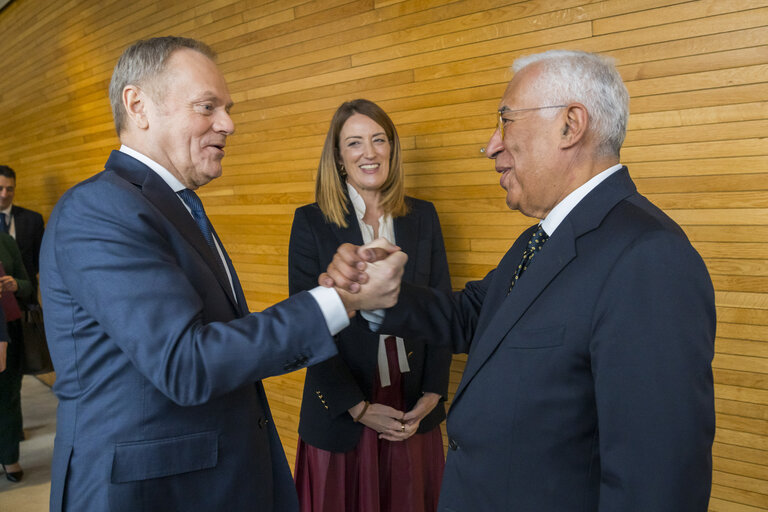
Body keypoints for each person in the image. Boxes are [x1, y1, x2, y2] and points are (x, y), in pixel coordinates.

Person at [323, 50, 716, 511]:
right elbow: (472, 315)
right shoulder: (544, 235)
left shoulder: (650, 258)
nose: (490, 145)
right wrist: (381, 296)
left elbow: (657, 484)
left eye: (506, 121)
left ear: (570, 125)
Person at [39, 36, 406, 512]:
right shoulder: (99, 209)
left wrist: (339, 291)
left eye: (227, 108)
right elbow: (186, 363)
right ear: (138, 106)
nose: (228, 124)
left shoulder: (172, 205)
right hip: (149, 494)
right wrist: (343, 302)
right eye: (207, 106)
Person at [290, 99, 452, 511]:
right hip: (346, 406)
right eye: (355, 143)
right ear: (340, 158)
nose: (369, 152)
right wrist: (358, 408)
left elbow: (441, 307)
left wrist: (433, 392)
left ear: (392, 150)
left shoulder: (423, 216)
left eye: (379, 140)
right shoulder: (310, 222)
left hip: (412, 404)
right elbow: (307, 327)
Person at [0, 232, 34, 483]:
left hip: (8, 329)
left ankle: (10, 457)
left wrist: (16, 285)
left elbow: (27, 284)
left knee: (8, 396)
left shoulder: (5, 240)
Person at [0, 165, 45, 297]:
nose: (4, 194)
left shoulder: (33, 219)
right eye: (0, 188)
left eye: (9, 189)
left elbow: (40, 259)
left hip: (26, 296)